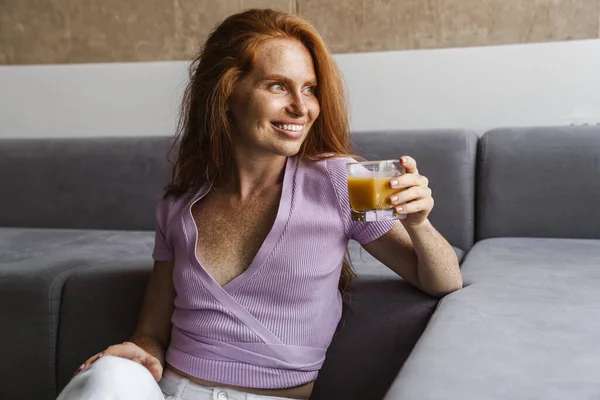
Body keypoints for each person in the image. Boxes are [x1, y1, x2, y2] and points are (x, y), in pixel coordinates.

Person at [57, 8, 462, 400]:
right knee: (110, 374)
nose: (302, 108)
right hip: (170, 390)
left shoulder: (346, 178)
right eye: (277, 86)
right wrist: (134, 356)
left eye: (309, 89)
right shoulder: (179, 204)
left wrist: (419, 223)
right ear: (227, 94)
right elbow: (151, 332)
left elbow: (443, 281)